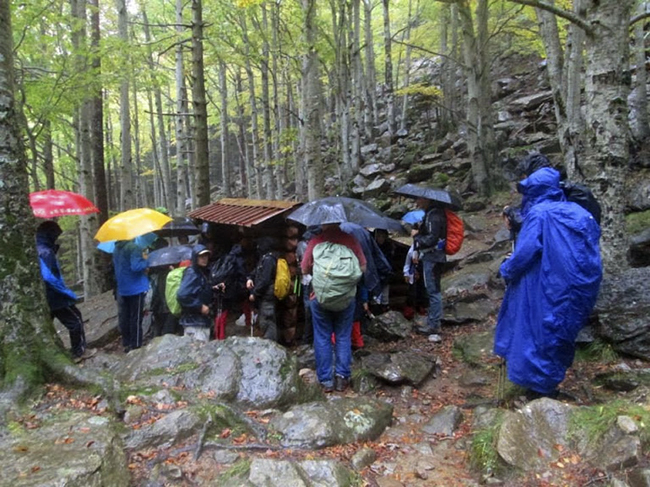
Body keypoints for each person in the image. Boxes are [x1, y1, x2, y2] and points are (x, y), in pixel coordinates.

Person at [494, 166, 602, 399]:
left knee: (538, 332)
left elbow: (524, 254)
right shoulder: (578, 211)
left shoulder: (539, 214)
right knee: (561, 331)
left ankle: (540, 390)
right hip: (579, 285)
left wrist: (506, 269)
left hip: (547, 284)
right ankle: (548, 383)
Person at [301, 204, 367, 393]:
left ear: (323, 223)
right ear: (339, 221)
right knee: (343, 336)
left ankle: (325, 381)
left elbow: (304, 269)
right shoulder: (350, 240)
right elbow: (363, 267)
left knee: (322, 337)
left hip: (319, 297)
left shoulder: (315, 241)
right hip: (346, 298)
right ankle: (341, 378)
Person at [36, 221, 91, 362]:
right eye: (56, 235)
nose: (57, 238)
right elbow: (48, 276)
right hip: (55, 296)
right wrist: (66, 292)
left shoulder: (39, 248)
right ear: (50, 235)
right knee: (75, 320)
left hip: (45, 296)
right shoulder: (46, 252)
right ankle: (79, 352)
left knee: (46, 326)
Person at [412, 196, 447, 338]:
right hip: (435, 256)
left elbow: (431, 238)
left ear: (426, 199)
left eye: (419, 200)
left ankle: (434, 325)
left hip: (433, 257)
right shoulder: (433, 214)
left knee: (433, 290)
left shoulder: (434, 215)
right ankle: (433, 320)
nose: (417, 202)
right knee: (433, 289)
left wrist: (416, 237)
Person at [113, 238, 150, 353]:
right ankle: (136, 344)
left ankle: (127, 343)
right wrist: (146, 261)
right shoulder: (133, 248)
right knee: (136, 317)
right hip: (136, 287)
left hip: (123, 287)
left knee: (126, 316)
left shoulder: (116, 249)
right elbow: (136, 266)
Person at [177, 245, 218, 342]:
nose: (204, 259)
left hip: (198, 321)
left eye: (206, 256)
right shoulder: (192, 273)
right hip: (195, 323)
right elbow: (182, 295)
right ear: (195, 258)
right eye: (201, 256)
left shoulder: (201, 273)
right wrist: (200, 306)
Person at [246, 236, 280, 342]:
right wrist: (250, 278)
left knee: (267, 319)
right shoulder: (264, 258)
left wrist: (255, 293)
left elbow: (265, 280)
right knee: (264, 318)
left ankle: (270, 343)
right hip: (264, 294)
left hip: (267, 294)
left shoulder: (269, 260)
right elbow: (256, 272)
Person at [211, 244, 247, 340]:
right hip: (229, 290)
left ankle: (217, 335)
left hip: (219, 289)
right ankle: (221, 336)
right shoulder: (238, 259)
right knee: (224, 313)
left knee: (219, 312)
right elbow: (241, 274)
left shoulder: (223, 258)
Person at [372, 228, 395, 313]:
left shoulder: (388, 248)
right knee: (375, 295)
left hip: (385, 274)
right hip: (375, 274)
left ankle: (384, 307)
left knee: (385, 293)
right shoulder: (373, 247)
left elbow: (390, 262)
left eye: (383, 236)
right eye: (379, 236)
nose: (381, 238)